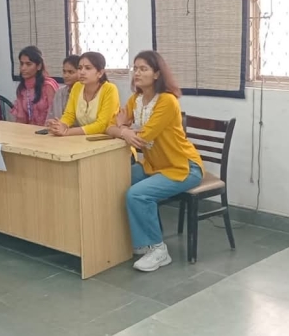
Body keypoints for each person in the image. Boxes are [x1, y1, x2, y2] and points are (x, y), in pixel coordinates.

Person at [107, 51, 204, 273]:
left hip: (183, 167)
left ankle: (159, 250)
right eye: (135, 68)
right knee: (117, 180)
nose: (137, 73)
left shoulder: (167, 101)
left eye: (144, 69)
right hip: (155, 166)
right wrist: (123, 130)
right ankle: (140, 242)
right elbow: (109, 125)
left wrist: (122, 128)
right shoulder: (135, 100)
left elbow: (142, 138)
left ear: (157, 74)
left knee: (137, 194)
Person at [48, 52, 119, 137]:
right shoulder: (77, 87)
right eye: (79, 68)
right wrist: (60, 125)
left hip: (107, 139)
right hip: (83, 139)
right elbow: (69, 115)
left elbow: (102, 125)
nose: (82, 72)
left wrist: (67, 132)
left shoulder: (110, 89)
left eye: (88, 68)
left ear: (100, 73)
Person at [12, 46, 58, 127]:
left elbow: (55, 116)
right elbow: (21, 118)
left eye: (28, 64)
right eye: (21, 64)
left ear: (39, 66)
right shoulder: (22, 88)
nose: (23, 68)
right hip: (28, 131)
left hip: (48, 131)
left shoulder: (48, 86)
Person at [47, 54, 80, 120]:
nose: (66, 76)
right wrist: (51, 122)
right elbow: (51, 116)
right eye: (64, 72)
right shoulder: (59, 92)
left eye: (70, 72)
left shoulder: (85, 94)